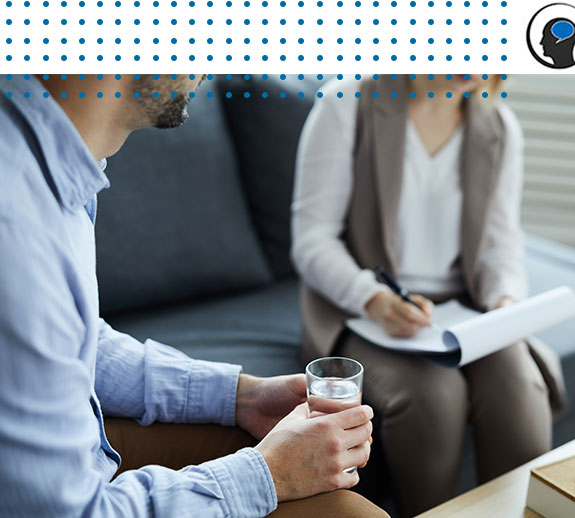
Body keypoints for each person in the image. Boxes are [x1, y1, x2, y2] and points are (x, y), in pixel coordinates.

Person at [0, 74, 389, 518]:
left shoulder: (54, 156)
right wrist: (271, 473)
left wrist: (242, 396)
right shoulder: (15, 228)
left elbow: (78, 345)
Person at [292, 74, 566, 517]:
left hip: (461, 309)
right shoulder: (347, 104)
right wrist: (375, 299)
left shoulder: (499, 126)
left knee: (519, 388)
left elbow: (501, 248)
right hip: (361, 307)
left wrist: (505, 305)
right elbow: (313, 240)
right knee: (432, 398)